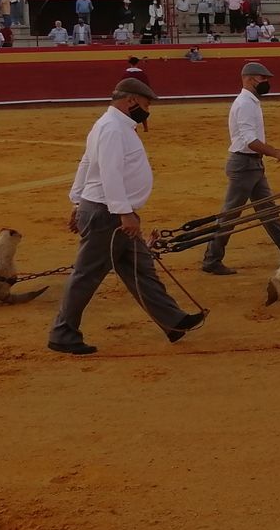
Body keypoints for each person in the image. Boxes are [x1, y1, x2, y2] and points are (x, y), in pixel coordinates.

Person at [46, 78, 205, 354]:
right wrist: (124, 213)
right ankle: (63, 333)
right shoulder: (112, 128)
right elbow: (109, 173)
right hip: (109, 215)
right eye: (145, 104)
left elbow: (87, 164)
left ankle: (173, 321)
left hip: (107, 211)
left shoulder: (110, 125)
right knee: (86, 275)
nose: (147, 110)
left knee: (140, 269)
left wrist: (77, 201)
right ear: (131, 101)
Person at [200, 62, 280, 276]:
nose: (267, 83)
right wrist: (275, 152)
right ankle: (211, 260)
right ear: (251, 79)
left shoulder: (250, 102)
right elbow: (250, 140)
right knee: (229, 215)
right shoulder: (245, 104)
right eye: (264, 79)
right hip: (244, 165)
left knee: (268, 210)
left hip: (252, 165)